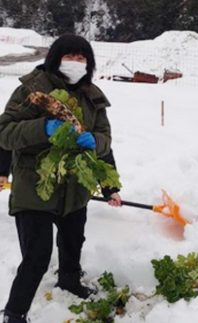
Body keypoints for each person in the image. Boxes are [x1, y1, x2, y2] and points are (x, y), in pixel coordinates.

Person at [0, 34, 120, 323]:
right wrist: (43, 128)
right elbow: (5, 133)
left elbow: (105, 139)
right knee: (37, 256)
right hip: (35, 188)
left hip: (75, 188)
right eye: (70, 57)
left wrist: (109, 182)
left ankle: (69, 281)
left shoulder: (92, 96)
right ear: (56, 59)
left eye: (82, 59)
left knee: (72, 241)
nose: (76, 63)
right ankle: (14, 313)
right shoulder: (33, 90)